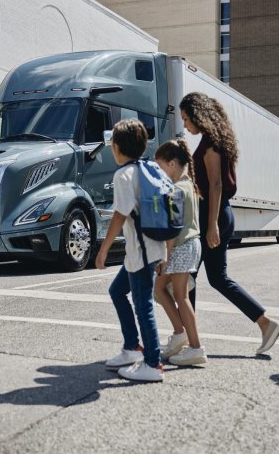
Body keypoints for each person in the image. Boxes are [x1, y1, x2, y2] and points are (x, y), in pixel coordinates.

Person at [179, 92, 279, 354]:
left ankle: (187, 340)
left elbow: (215, 185)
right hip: (216, 212)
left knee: (186, 277)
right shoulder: (215, 140)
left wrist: (211, 224)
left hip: (211, 215)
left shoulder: (212, 143)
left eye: (186, 119)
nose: (185, 125)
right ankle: (265, 324)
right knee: (216, 278)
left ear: (198, 115)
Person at [95, 119, 166, 382]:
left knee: (143, 306)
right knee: (117, 292)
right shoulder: (149, 168)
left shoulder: (123, 175)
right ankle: (131, 348)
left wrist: (103, 251)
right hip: (149, 248)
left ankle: (153, 363)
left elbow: (119, 215)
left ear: (116, 146)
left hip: (140, 252)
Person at [153, 139, 207, 366]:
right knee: (160, 290)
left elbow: (173, 228)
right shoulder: (190, 185)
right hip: (190, 244)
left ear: (172, 163)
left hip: (180, 246)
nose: (160, 172)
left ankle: (195, 347)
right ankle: (180, 335)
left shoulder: (176, 190)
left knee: (181, 297)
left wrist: (164, 257)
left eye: (161, 166)